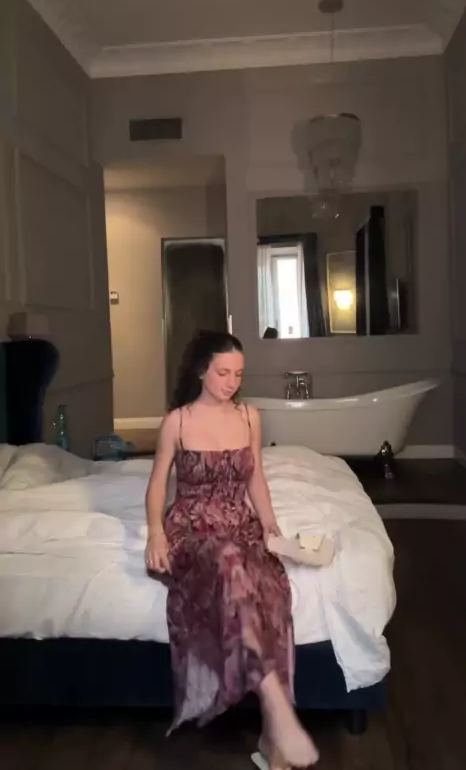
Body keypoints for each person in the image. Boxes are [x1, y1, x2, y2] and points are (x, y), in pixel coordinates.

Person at [145, 330, 319, 769]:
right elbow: (158, 484)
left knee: (269, 589)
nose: (231, 382)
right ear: (201, 370)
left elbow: (255, 477)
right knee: (227, 562)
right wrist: (155, 533)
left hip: (239, 524)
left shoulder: (249, 417)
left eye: (238, 374)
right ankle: (279, 712)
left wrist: (270, 525)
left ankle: (272, 744)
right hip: (192, 528)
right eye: (223, 373)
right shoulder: (177, 422)